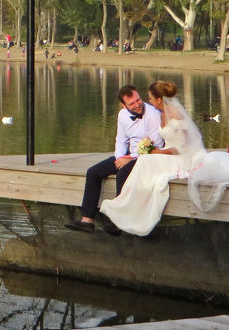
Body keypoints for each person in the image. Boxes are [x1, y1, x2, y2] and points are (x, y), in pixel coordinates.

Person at [99, 80, 205, 236]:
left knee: (144, 161)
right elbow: (121, 140)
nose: (148, 101)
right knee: (144, 163)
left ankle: (128, 211)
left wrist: (158, 153)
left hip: (180, 158)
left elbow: (182, 147)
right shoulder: (162, 114)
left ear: (159, 100)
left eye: (150, 98)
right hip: (164, 154)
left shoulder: (177, 115)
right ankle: (125, 209)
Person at [66, 85, 163, 233]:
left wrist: (129, 159)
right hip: (128, 155)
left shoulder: (153, 114)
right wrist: (119, 158)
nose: (137, 104)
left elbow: (157, 144)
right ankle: (87, 220)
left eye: (138, 100)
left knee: (123, 173)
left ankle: (119, 223)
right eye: (132, 103)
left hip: (149, 157)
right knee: (93, 172)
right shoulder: (122, 115)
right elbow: (120, 140)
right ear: (123, 105)